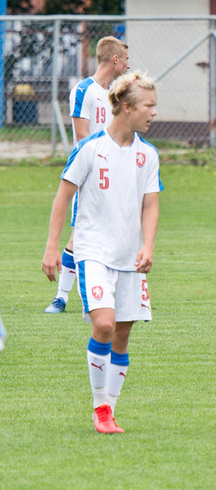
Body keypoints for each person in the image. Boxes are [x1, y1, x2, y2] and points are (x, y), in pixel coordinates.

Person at [42, 71, 162, 433]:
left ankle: (109, 408)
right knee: (105, 325)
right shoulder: (90, 148)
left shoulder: (148, 155)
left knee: (122, 335)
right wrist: (52, 248)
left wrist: (148, 245)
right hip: (92, 251)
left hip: (129, 258)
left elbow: (151, 205)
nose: (154, 113)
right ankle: (101, 408)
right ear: (126, 108)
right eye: (149, 106)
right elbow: (63, 196)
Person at [45, 36, 130, 314]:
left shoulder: (116, 95)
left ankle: (95, 294)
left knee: (103, 235)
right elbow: (82, 137)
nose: (128, 65)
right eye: (126, 59)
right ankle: (63, 297)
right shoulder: (85, 90)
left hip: (113, 175)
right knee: (79, 237)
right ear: (115, 59)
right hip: (90, 173)